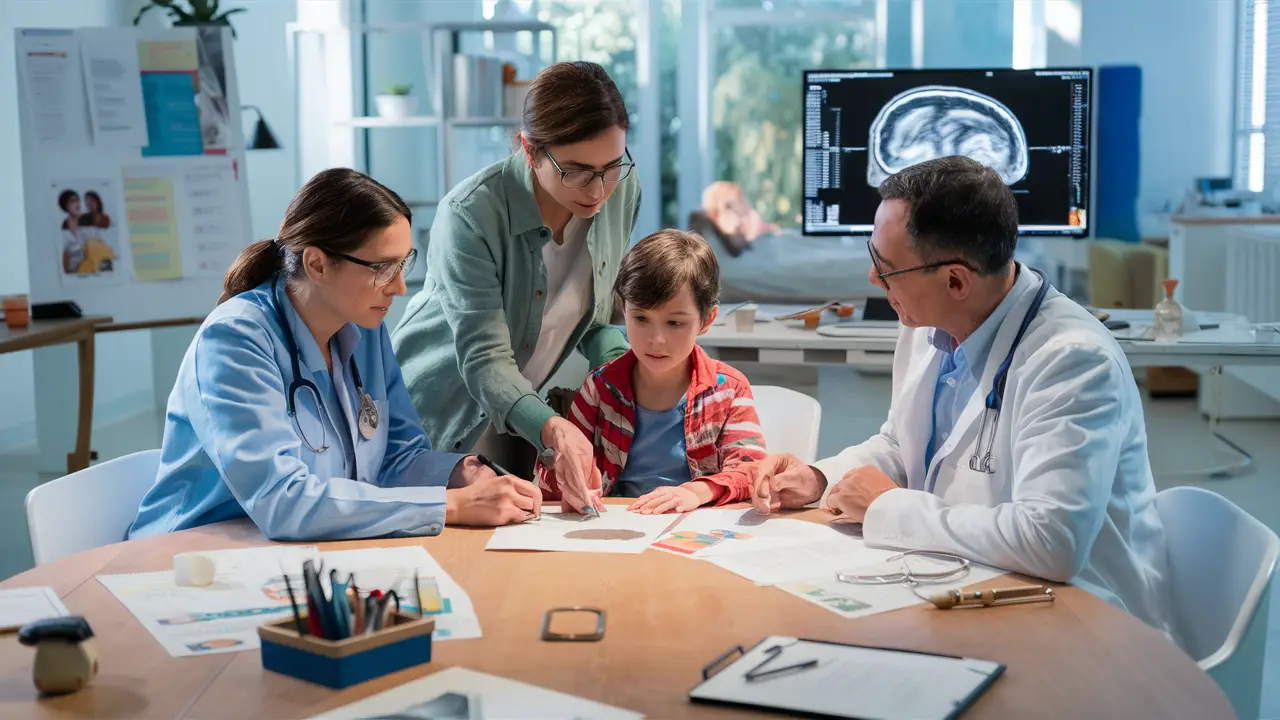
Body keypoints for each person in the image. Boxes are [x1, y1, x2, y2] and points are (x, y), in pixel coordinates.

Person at [748, 156, 1175, 638]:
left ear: (955, 280)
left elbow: (1051, 541)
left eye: (885, 268)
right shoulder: (927, 325)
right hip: (962, 588)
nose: (872, 279)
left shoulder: (1073, 360)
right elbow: (903, 445)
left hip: (1085, 623)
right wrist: (820, 477)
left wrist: (887, 507)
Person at [128, 168, 542, 541]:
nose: (399, 288)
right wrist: (448, 506)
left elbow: (396, 459)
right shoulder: (235, 340)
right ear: (317, 265)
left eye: (403, 265)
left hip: (302, 552)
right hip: (190, 561)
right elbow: (283, 501)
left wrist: (460, 472)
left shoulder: (366, 331)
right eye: (382, 268)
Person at [392, 61, 641, 516]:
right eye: (577, 171)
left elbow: (593, 316)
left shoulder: (620, 191)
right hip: (436, 416)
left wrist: (628, 375)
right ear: (529, 149)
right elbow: (485, 358)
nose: (598, 190)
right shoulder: (470, 215)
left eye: (611, 167)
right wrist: (554, 428)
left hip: (521, 415)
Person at [537, 230, 766, 513]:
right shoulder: (598, 388)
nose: (656, 339)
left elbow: (751, 470)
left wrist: (696, 492)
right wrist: (563, 473)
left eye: (674, 323)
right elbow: (553, 479)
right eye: (641, 318)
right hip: (617, 525)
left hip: (694, 526)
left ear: (707, 320)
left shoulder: (729, 390)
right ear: (624, 309)